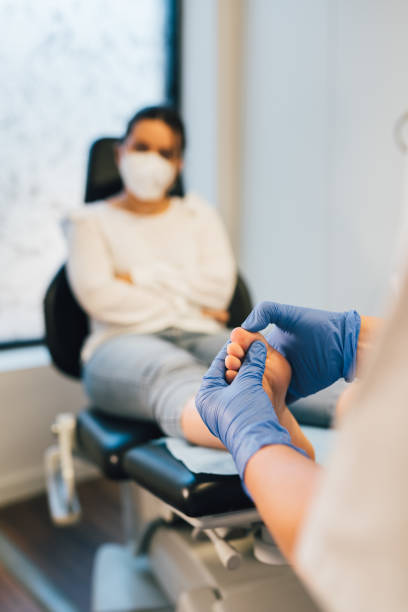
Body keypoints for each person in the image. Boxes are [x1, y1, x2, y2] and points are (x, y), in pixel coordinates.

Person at [64, 105, 314, 456]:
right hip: (120, 343)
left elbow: (218, 289)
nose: (152, 160)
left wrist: (137, 277)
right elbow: (100, 296)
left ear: (179, 164)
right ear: (120, 151)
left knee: (271, 361)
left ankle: (373, 410)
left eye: (165, 153)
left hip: (199, 334)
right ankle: (250, 431)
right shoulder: (87, 222)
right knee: (169, 370)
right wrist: (190, 301)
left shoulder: (198, 214)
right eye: (141, 148)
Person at [196, 297, 408, 612]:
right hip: (125, 339)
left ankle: (269, 403)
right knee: (352, 403)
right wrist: (354, 338)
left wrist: (249, 431)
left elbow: (345, 542)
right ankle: (271, 401)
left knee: (171, 380)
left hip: (198, 329)